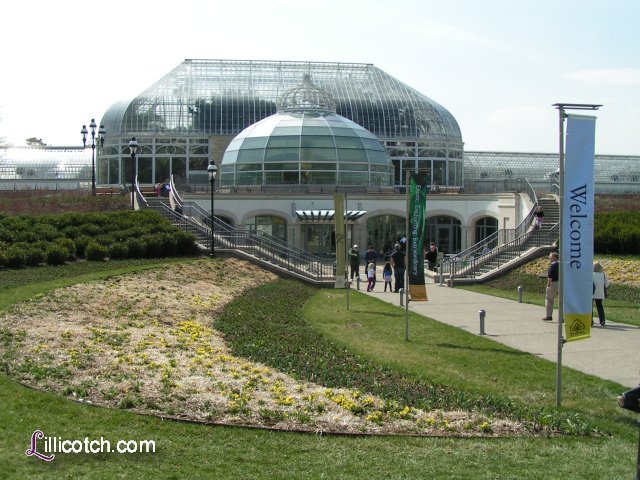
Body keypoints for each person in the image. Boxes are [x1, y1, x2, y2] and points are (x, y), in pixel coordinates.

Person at [542, 252, 559, 321]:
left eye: (550, 257)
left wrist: (548, 285)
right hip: (562, 283)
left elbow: (550, 277)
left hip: (553, 283)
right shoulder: (562, 264)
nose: (549, 258)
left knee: (549, 299)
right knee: (561, 301)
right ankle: (562, 317)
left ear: (554, 257)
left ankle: (548, 316)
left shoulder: (553, 265)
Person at [592, 261, 610, 326]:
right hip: (600, 293)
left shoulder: (591, 274)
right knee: (600, 306)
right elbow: (607, 284)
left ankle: (590, 321)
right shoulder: (603, 275)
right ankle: (602, 320)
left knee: (590, 307)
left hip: (592, 293)